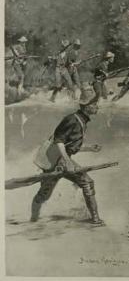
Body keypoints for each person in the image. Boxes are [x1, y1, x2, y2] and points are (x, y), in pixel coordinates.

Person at [30, 83, 105, 225]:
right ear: (86, 106)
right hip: (57, 162)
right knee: (45, 193)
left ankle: (95, 219)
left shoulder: (81, 120)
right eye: (94, 104)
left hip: (62, 160)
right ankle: (33, 219)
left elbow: (69, 146)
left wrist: (89, 148)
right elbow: (59, 142)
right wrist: (67, 162)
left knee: (86, 183)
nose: (97, 106)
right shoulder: (72, 120)